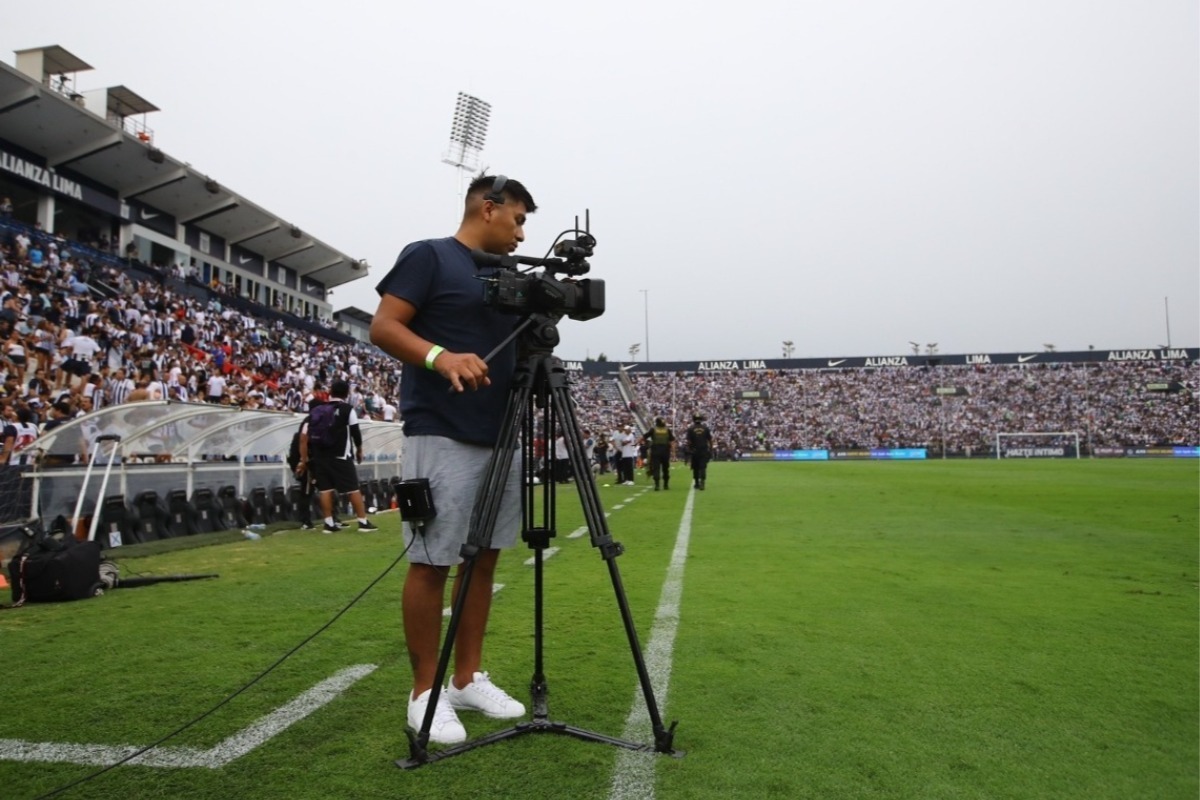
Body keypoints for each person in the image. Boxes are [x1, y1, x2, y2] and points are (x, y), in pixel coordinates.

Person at [369, 174, 536, 745]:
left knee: (484, 558)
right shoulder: (430, 256)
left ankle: (466, 677)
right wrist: (440, 357)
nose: (520, 233)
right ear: (488, 209)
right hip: (441, 428)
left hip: (502, 431)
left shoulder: (512, 275)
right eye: (516, 220)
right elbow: (384, 326)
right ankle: (425, 692)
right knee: (433, 560)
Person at [305, 378, 377, 533]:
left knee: (325, 490)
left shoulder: (319, 409)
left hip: (320, 456)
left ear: (330, 392)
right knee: (352, 488)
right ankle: (363, 522)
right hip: (340, 455)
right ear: (346, 393)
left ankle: (329, 524)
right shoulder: (346, 409)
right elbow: (355, 431)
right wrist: (359, 449)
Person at [643, 417, 675, 490]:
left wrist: (638, 443)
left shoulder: (653, 429)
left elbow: (644, 436)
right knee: (665, 469)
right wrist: (673, 453)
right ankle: (666, 484)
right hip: (665, 452)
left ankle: (657, 484)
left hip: (655, 452)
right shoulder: (667, 430)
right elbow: (672, 441)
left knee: (656, 468)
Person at [686, 413, 714, 489]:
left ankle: (697, 483)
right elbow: (710, 440)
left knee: (695, 467)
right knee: (703, 467)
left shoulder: (690, 429)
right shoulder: (705, 428)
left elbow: (688, 441)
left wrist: (688, 449)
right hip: (704, 450)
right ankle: (702, 482)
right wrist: (711, 449)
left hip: (694, 451)